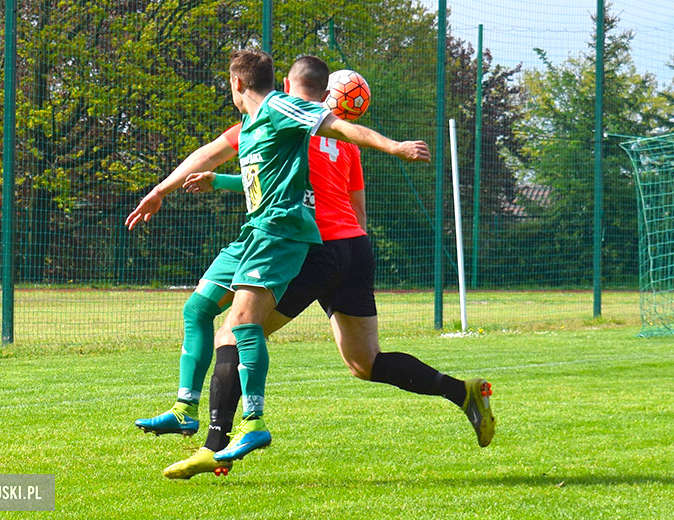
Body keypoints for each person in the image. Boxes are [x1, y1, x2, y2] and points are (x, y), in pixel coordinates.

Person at [151, 57, 495, 479]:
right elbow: (351, 207)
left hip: (311, 247)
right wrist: (354, 264)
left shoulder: (279, 120)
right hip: (352, 248)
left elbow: (250, 170)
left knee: (234, 330)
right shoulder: (342, 143)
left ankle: (215, 445)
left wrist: (182, 185)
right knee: (365, 363)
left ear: (285, 85)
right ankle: (462, 392)